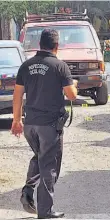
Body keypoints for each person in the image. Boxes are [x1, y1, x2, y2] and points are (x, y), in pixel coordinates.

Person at [11, 29, 78, 219]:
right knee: (49, 165)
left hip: (30, 125)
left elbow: (17, 94)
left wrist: (17, 120)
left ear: (40, 44)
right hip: (49, 126)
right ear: (57, 46)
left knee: (40, 157)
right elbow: (72, 95)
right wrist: (74, 85)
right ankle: (45, 211)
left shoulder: (26, 66)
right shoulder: (60, 66)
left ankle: (28, 190)